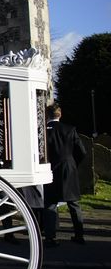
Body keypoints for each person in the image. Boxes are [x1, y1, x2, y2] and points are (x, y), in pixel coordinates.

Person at [43, 104, 87, 247]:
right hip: (68, 167)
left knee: (50, 203)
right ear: (60, 114)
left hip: (50, 168)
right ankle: (79, 235)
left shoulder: (43, 131)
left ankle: (50, 237)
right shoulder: (70, 129)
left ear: (47, 115)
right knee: (73, 203)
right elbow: (82, 151)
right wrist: (73, 163)